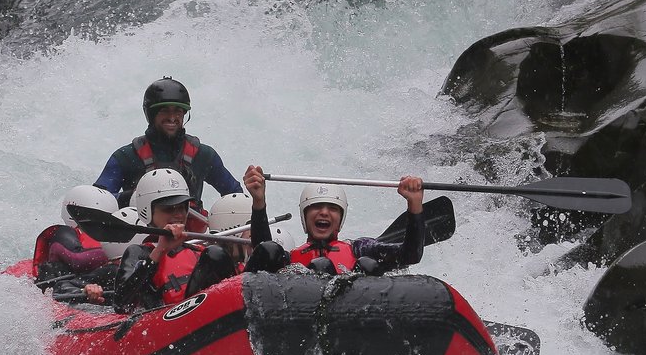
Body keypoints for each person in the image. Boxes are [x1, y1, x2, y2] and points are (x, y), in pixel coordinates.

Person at [93, 77, 243, 212]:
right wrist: (133, 197)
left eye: (178, 111)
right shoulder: (125, 157)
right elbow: (97, 201)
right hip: (141, 236)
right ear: (151, 115)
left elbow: (235, 194)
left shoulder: (204, 155)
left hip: (190, 238)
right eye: (164, 111)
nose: (172, 117)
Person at [243, 165, 426, 275]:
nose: (323, 212)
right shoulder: (290, 260)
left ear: (340, 220)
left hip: (353, 320)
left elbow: (410, 255)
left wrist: (414, 204)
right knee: (273, 250)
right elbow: (262, 253)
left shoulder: (360, 249)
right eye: (315, 207)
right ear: (304, 218)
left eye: (332, 208)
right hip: (301, 318)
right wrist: (259, 201)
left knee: (367, 265)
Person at [113, 168, 238, 311]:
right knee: (215, 254)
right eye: (169, 208)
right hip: (167, 322)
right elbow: (121, 304)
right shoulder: (140, 253)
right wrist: (160, 251)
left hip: (208, 315)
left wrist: (258, 206)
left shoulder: (199, 250)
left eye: (182, 207)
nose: (178, 215)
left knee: (261, 250)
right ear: (147, 211)